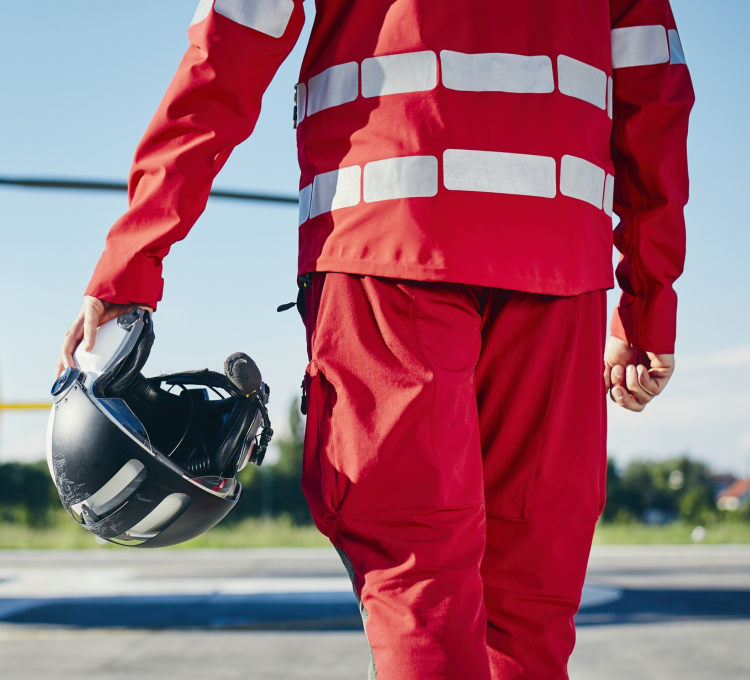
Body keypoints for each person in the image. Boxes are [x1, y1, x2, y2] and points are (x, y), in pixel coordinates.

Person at [57, 1, 693, 677]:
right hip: (559, 264)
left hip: (387, 243)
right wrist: (649, 301)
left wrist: (134, 257)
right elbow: (654, 88)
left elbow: (228, 52)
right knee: (531, 590)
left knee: (418, 579)